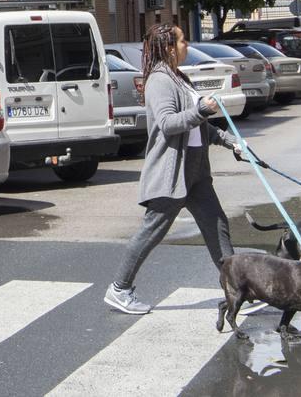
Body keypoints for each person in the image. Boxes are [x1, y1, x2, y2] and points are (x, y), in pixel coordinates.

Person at [104, 23, 248, 315]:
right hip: (171, 171)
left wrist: (229, 140)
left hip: (195, 171)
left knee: (217, 225)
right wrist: (201, 110)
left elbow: (199, 129)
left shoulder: (179, 77)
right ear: (169, 48)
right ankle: (119, 289)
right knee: (151, 231)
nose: (187, 46)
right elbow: (168, 124)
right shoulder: (159, 80)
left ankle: (236, 292)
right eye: (183, 41)